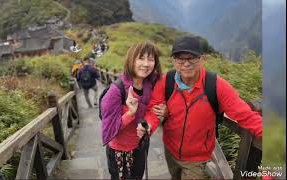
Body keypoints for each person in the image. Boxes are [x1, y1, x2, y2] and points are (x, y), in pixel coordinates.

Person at [137, 36, 263, 179]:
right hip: (170, 150)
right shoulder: (166, 82)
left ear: (202, 59)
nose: (186, 63)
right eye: (180, 58)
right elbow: (154, 110)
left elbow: (245, 115)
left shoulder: (216, 85)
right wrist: (148, 126)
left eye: (192, 58)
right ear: (174, 61)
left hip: (196, 159)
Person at [101, 42, 168, 180]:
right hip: (120, 150)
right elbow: (108, 131)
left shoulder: (152, 83)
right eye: (141, 58)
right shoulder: (115, 91)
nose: (146, 64)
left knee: (138, 176)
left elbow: (154, 110)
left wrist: (164, 111)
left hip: (141, 145)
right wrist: (130, 114)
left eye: (151, 59)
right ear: (131, 60)